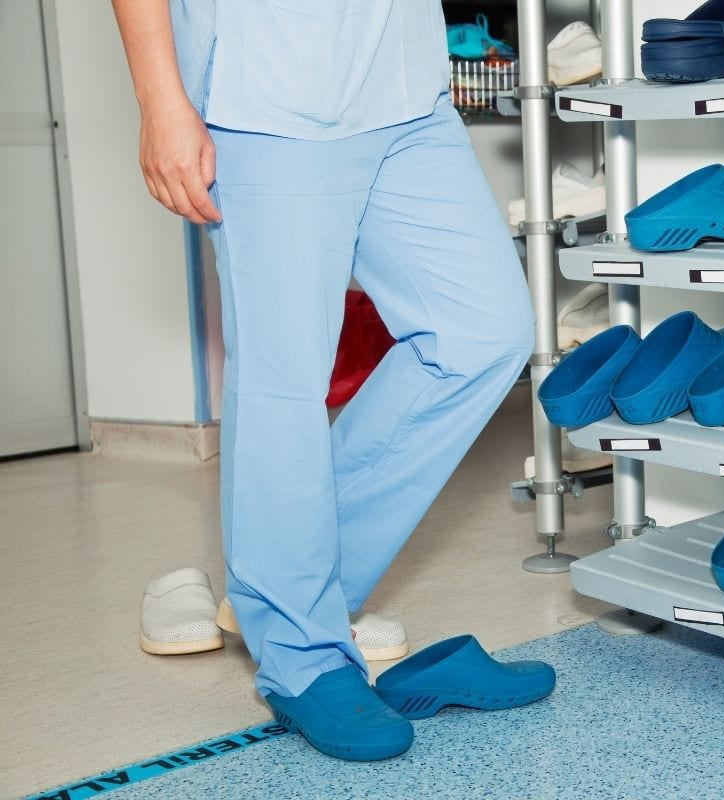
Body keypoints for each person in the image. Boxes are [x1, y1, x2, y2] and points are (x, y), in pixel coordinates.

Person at [112, 0, 535, 760]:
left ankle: (285, 584)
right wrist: (160, 99)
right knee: (284, 382)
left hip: (406, 89)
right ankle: (300, 657)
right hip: (268, 97)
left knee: (482, 333)